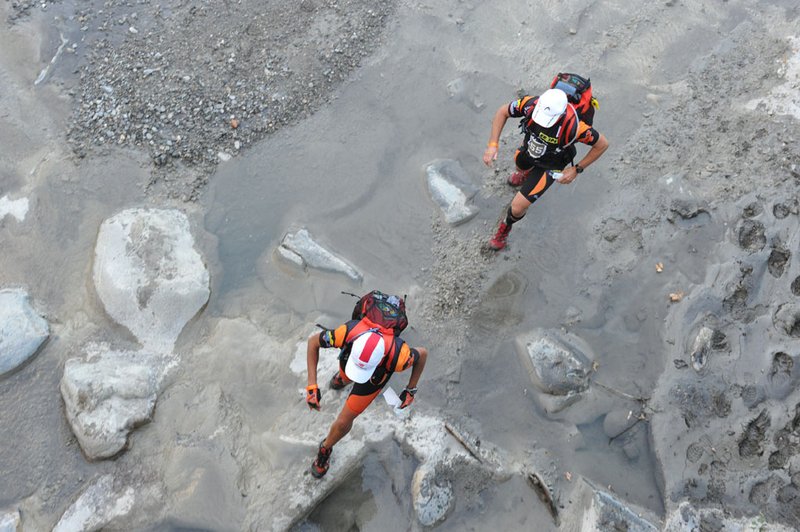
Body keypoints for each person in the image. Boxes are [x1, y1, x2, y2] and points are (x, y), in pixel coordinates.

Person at [304, 299, 428, 479]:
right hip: (349, 361)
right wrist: (311, 385)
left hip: (375, 377)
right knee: (345, 376)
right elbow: (313, 342)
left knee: (342, 422)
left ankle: (326, 447)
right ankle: (343, 379)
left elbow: (422, 354)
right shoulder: (347, 332)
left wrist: (411, 389)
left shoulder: (399, 356)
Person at [482, 85, 610, 250]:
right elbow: (503, 111)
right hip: (530, 150)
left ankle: (505, 227)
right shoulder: (530, 104)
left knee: (518, 206)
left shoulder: (576, 128)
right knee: (519, 165)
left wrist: (576, 169)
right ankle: (524, 174)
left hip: (552, 164)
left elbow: (602, 145)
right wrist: (493, 144)